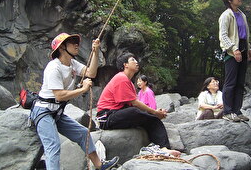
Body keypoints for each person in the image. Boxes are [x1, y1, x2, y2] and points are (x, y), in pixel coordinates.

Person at [30, 33, 119, 170]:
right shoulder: (54, 68)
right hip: (43, 111)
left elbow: (91, 73)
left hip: (56, 112)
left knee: (84, 134)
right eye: (71, 42)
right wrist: (83, 89)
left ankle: (100, 166)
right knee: (53, 145)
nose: (76, 44)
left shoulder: (71, 63)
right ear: (61, 48)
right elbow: (59, 95)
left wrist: (95, 52)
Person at [96, 52, 181, 157]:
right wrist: (154, 112)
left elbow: (132, 104)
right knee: (139, 113)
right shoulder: (121, 78)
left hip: (116, 113)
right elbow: (134, 103)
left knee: (151, 120)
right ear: (125, 65)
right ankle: (162, 148)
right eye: (133, 60)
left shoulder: (129, 82)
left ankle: (163, 148)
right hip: (106, 117)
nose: (136, 62)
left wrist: (154, 113)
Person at [219, 0, 251, 122]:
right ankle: (227, 111)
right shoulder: (226, 15)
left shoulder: (242, 14)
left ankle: (237, 110)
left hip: (243, 48)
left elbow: (244, 35)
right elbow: (223, 35)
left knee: (240, 83)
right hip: (231, 52)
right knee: (231, 82)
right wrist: (234, 49)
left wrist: (249, 48)